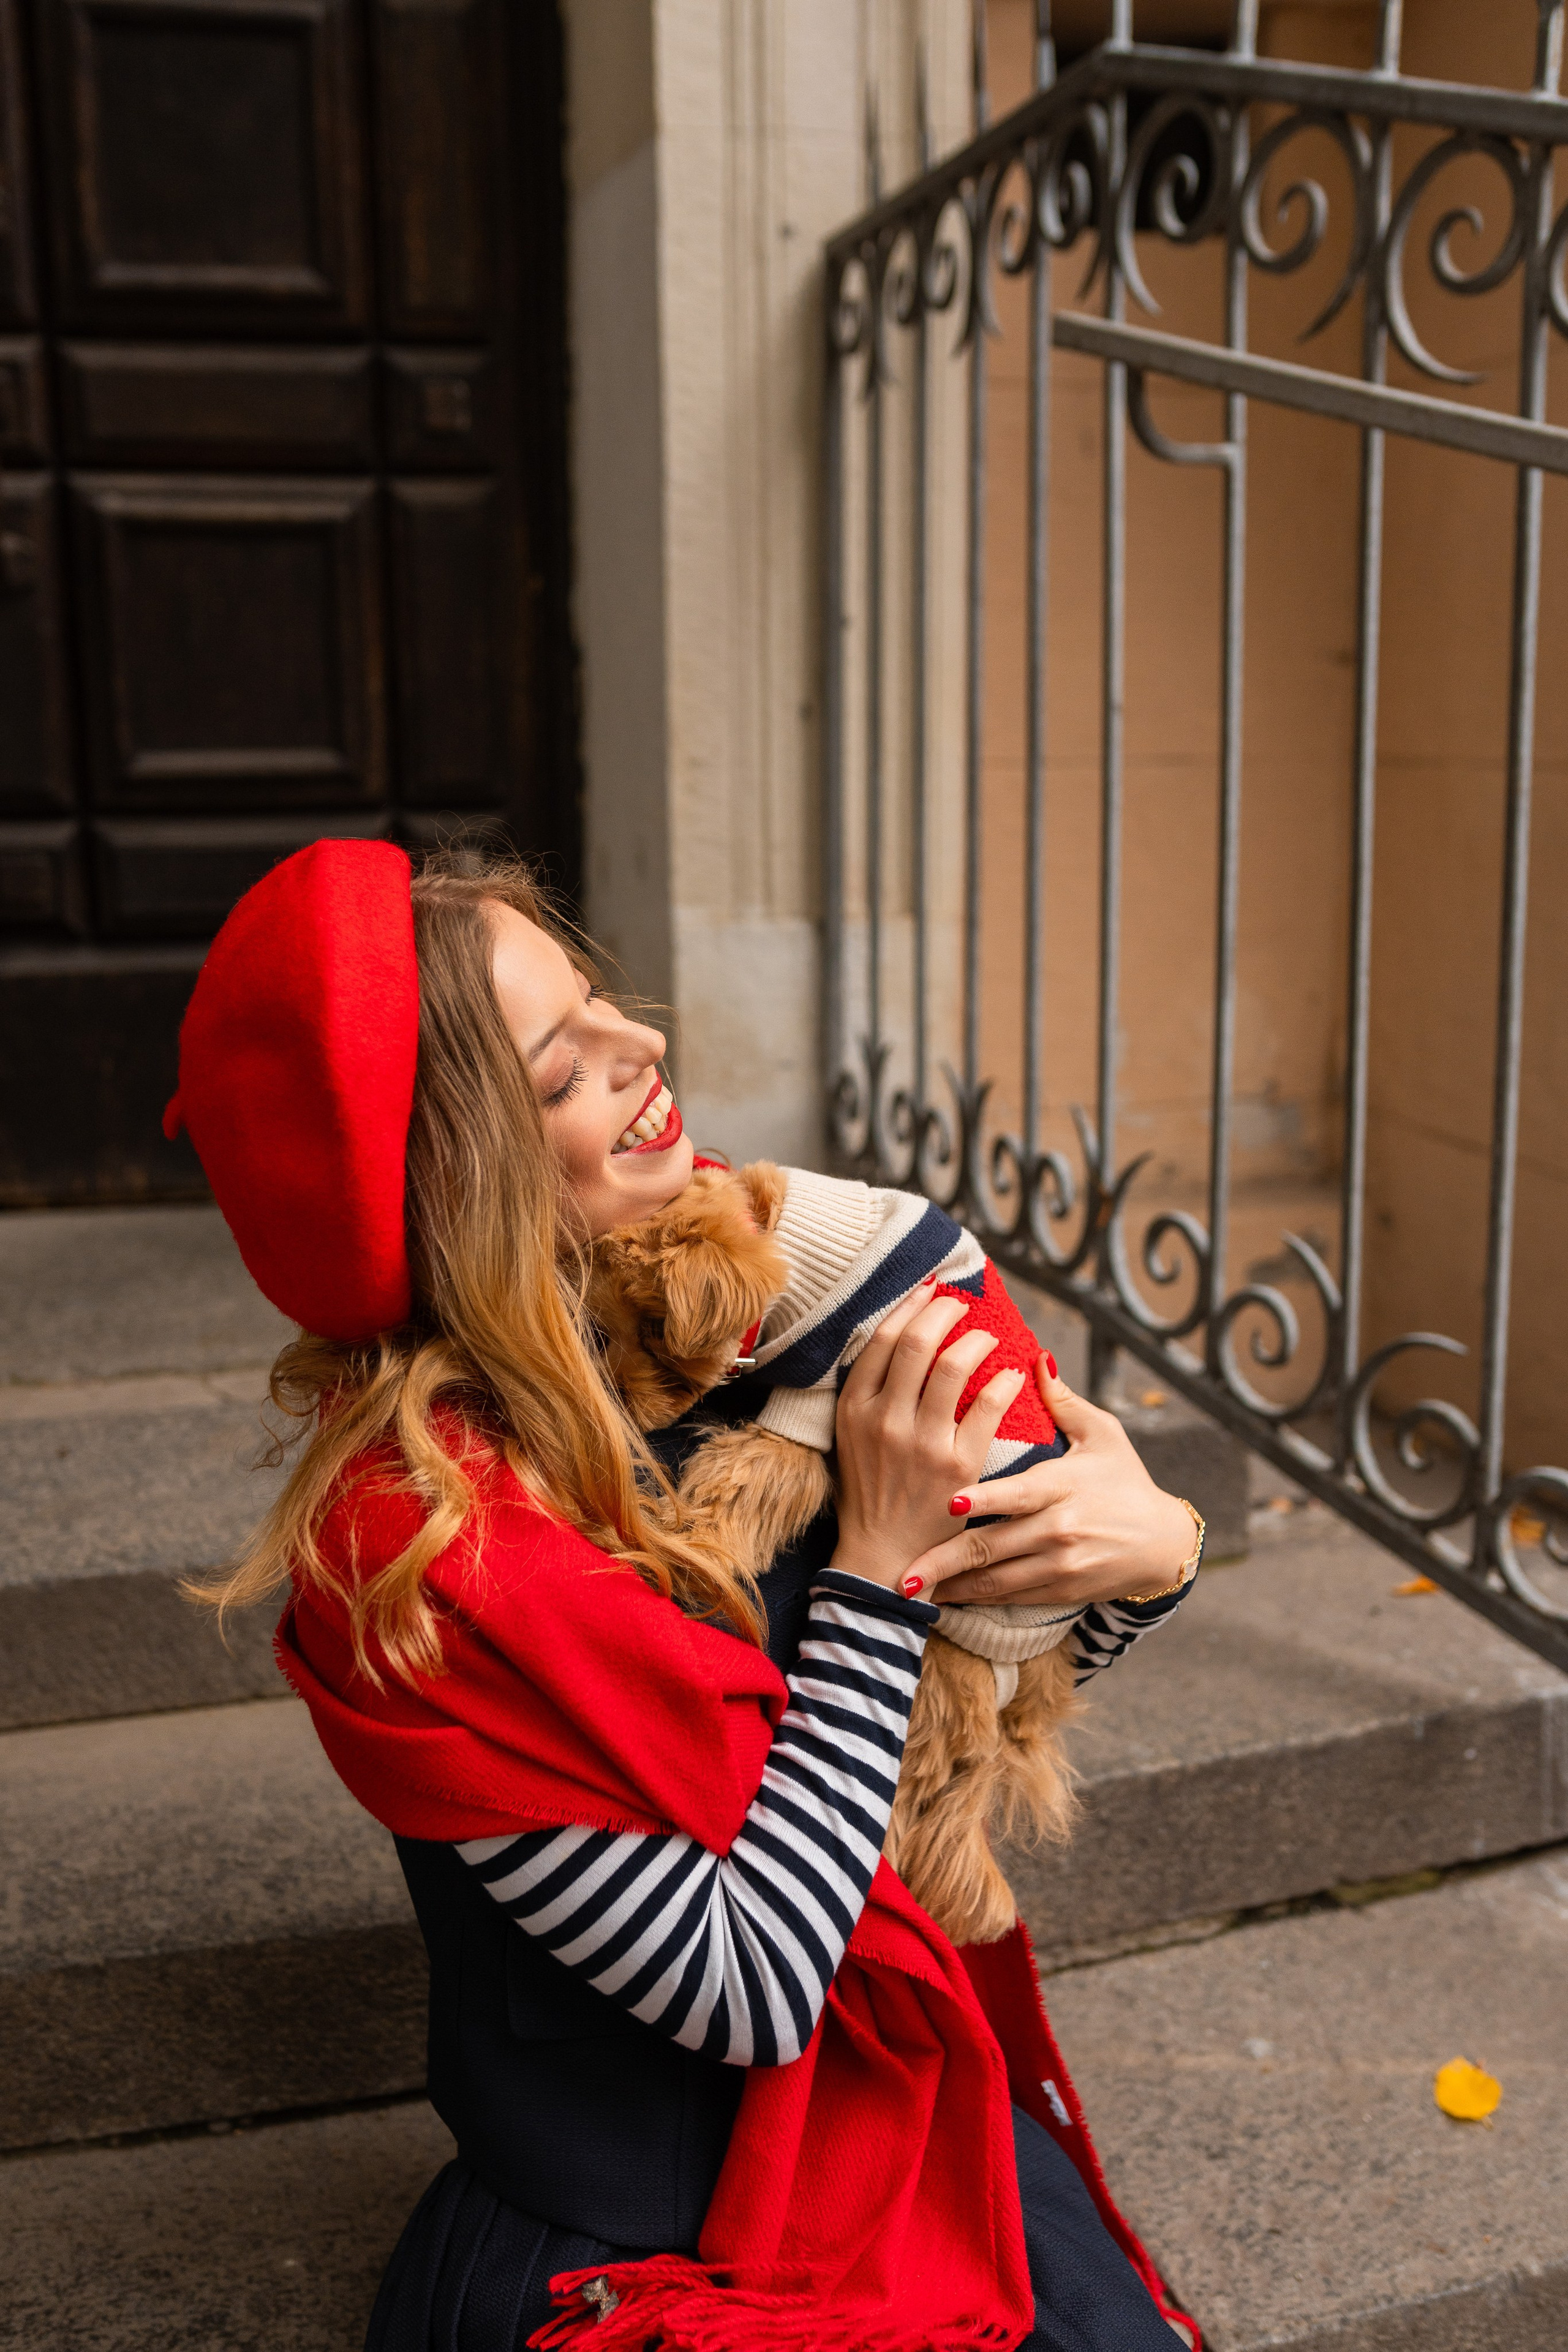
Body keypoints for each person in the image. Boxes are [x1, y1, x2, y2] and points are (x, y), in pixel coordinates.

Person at [170, 840, 1202, 2352]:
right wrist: (877, 1569)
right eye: (564, 1068)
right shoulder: (415, 1568)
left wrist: (1140, 1558)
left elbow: (923, 1742)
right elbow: (751, 1981)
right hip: (656, 2231)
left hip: (883, 2100)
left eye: (601, 1007)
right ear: (460, 1170)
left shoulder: (743, 1325)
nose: (643, 1048)